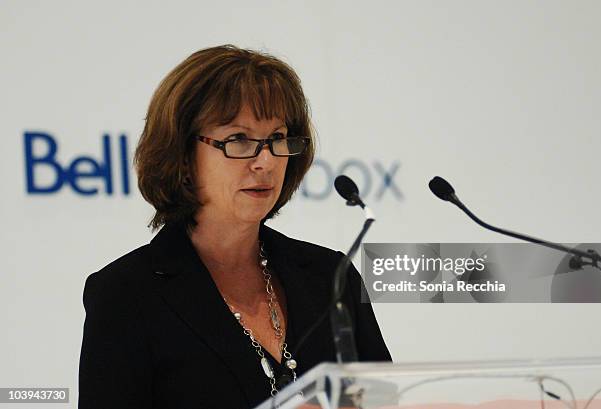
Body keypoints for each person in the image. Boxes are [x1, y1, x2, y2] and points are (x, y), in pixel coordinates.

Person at [78, 44, 391, 409]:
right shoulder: (127, 294)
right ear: (183, 154)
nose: (265, 161)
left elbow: (383, 400)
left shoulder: (330, 276)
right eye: (239, 139)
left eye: (276, 138)